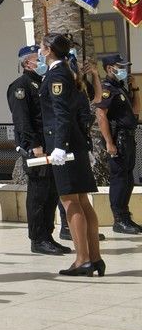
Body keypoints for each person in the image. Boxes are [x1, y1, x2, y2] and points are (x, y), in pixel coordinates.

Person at [39, 33, 103, 276]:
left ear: (48, 50)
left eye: (41, 46)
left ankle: (82, 260)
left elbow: (61, 113)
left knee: (70, 202)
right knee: (83, 201)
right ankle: (95, 258)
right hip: (75, 143)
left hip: (64, 146)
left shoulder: (57, 75)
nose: (39, 49)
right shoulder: (67, 73)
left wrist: (59, 146)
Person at [6, 44, 67, 254]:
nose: (41, 60)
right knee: (39, 194)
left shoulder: (41, 83)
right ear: (27, 63)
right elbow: (22, 121)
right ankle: (38, 238)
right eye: (37, 58)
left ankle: (47, 235)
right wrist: (34, 145)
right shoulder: (20, 86)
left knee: (51, 193)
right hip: (36, 149)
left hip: (49, 146)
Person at [94, 53, 139, 234]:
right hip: (118, 138)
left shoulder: (120, 88)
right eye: (120, 67)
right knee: (119, 179)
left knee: (128, 179)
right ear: (109, 68)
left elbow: (136, 110)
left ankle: (125, 216)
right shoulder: (107, 89)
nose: (124, 70)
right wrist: (109, 142)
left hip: (128, 137)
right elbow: (101, 114)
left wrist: (134, 88)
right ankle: (118, 219)